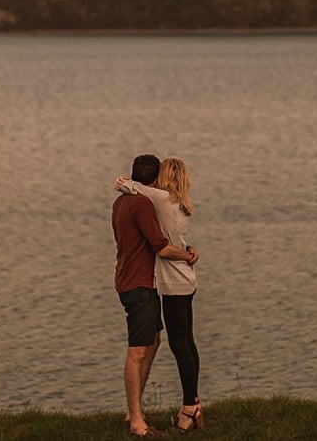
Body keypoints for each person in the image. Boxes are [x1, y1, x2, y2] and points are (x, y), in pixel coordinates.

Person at [113, 153, 199, 437]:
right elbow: (163, 247)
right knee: (152, 346)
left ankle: (142, 409)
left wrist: (124, 183)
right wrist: (187, 254)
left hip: (152, 281)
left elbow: (162, 245)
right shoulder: (159, 203)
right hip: (152, 283)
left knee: (162, 341)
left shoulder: (125, 201)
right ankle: (141, 417)